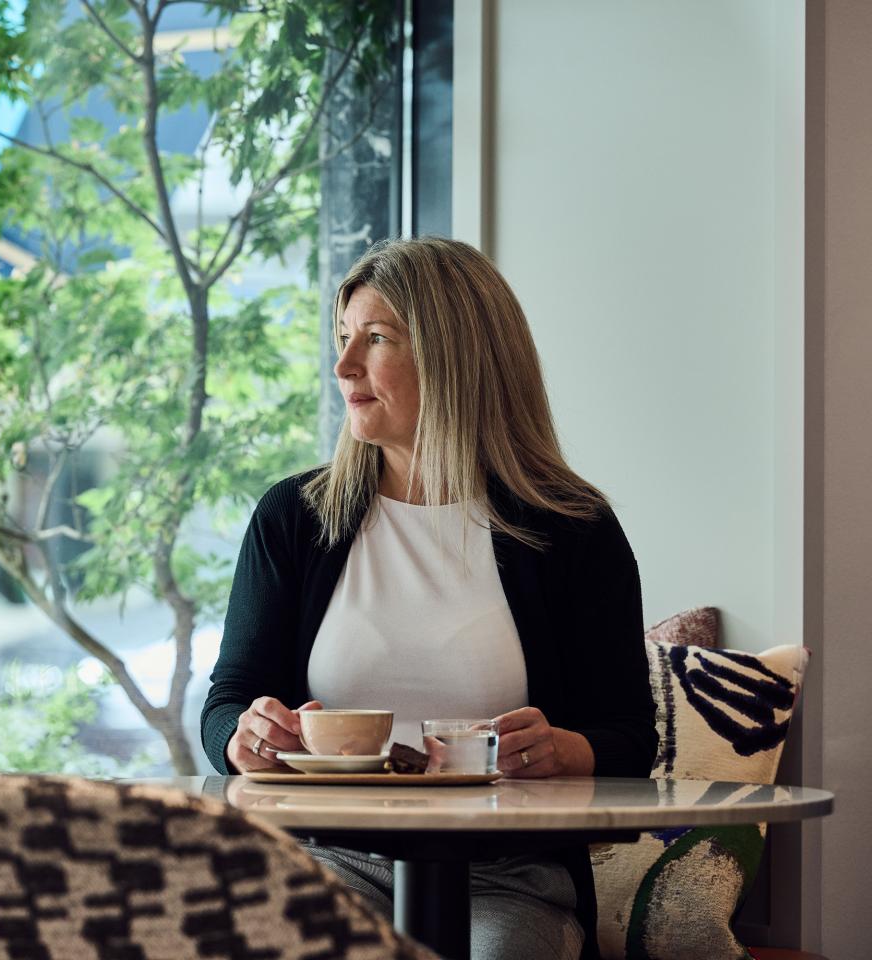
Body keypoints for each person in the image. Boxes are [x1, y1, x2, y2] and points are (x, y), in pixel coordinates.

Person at [201, 236, 658, 960]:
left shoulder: (574, 529)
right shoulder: (293, 518)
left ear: (456, 356)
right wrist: (243, 735)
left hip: (511, 875)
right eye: (343, 338)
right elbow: (230, 697)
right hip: (326, 857)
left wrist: (564, 750)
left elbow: (633, 737)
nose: (343, 365)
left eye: (375, 338)